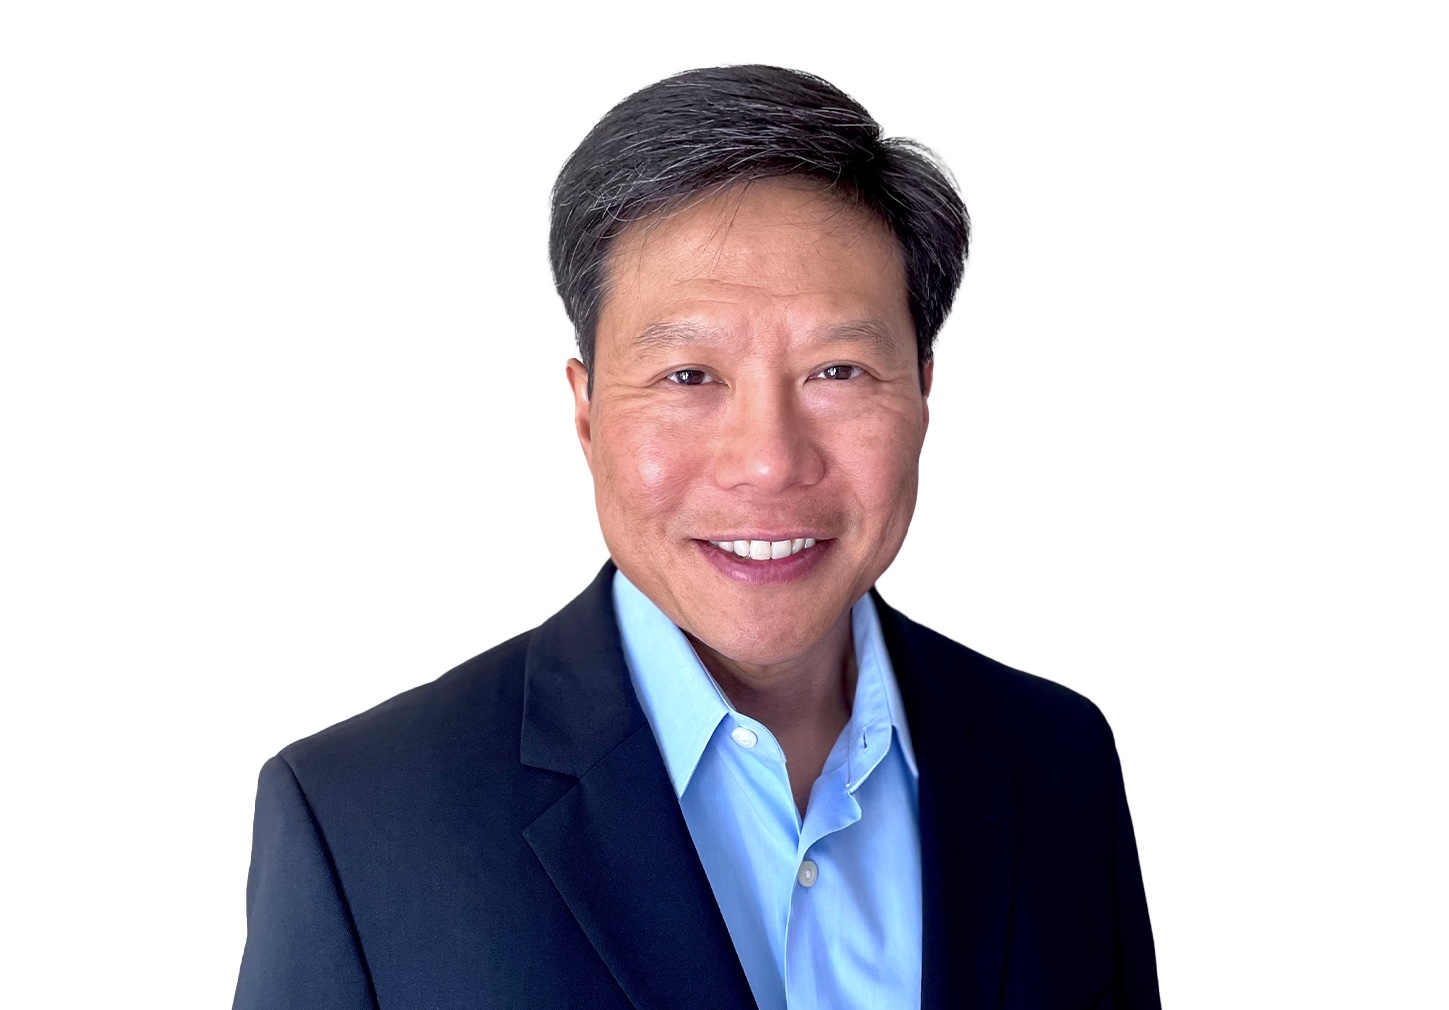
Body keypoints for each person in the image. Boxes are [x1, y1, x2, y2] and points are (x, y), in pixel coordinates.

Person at [233, 65, 1160, 1010]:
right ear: (587, 412)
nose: (767, 462)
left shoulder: (1056, 760)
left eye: (837, 371)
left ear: (922, 393)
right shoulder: (360, 817)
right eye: (687, 376)